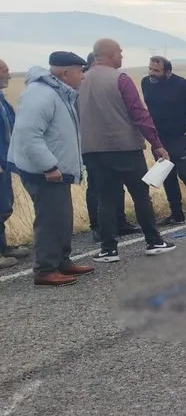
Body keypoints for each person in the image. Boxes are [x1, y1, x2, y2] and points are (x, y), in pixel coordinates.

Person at [80, 39, 177, 262]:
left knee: (104, 199)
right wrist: (156, 143)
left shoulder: (81, 80)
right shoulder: (120, 78)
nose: (122, 57)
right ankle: (153, 241)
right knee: (141, 195)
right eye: (120, 53)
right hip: (124, 148)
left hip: (92, 150)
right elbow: (139, 113)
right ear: (110, 54)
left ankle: (108, 249)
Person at [7, 52, 95, 286]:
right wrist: (49, 165)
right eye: (80, 71)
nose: (83, 77)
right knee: (49, 220)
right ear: (66, 73)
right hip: (45, 172)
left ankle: (62, 261)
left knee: (62, 218)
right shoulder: (41, 94)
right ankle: (45, 270)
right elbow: (29, 135)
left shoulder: (58, 92)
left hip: (56, 171)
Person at [142, 56, 186, 225]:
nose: (151, 73)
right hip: (160, 138)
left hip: (182, 136)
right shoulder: (145, 83)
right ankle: (177, 213)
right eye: (150, 69)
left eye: (156, 71)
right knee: (167, 175)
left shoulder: (182, 85)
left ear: (168, 72)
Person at [82, 52, 137, 241]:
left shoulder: (109, 81)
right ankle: (98, 226)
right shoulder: (82, 84)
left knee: (117, 185)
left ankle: (119, 222)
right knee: (96, 187)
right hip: (93, 144)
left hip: (114, 142)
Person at [0, 58, 25, 268]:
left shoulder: (1, 98)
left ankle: (3, 247)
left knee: (4, 205)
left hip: (4, 160)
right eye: (4, 71)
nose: (8, 75)